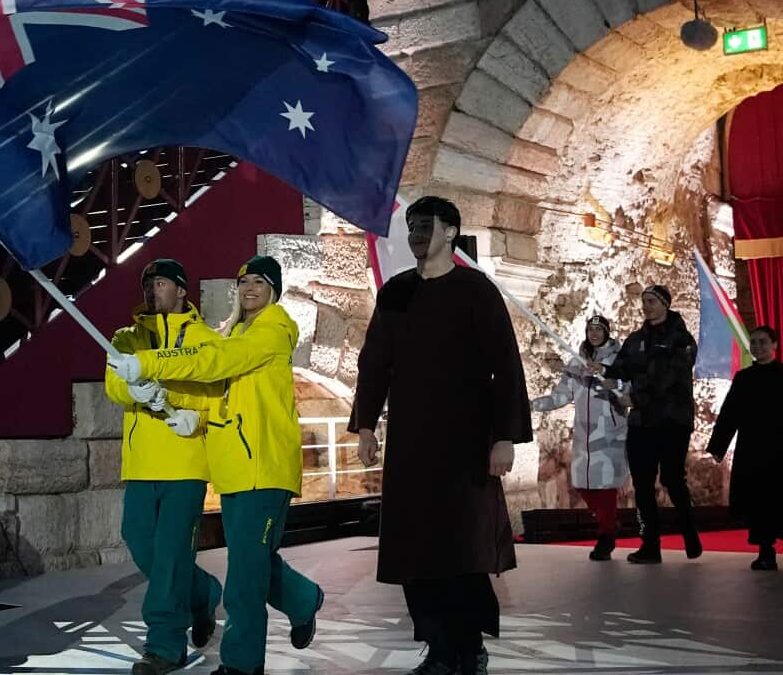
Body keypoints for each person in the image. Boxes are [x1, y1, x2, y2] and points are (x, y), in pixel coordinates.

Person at [109, 255, 324, 675]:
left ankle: (241, 664)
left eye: (260, 282)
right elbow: (218, 393)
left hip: (261, 465)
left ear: (274, 291)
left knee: (245, 574)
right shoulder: (231, 333)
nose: (249, 288)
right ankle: (300, 598)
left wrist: (150, 366)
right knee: (249, 561)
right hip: (232, 468)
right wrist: (193, 413)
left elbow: (215, 364)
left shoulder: (271, 331)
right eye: (244, 280)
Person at [350, 196, 531, 675]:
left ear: (450, 231)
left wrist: (504, 437)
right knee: (415, 549)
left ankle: (466, 646)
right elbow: (375, 363)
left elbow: (505, 368)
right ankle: (436, 643)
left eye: (424, 225)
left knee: (462, 550)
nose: (414, 234)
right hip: (411, 444)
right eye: (411, 226)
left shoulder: (477, 291)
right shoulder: (396, 294)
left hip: (468, 444)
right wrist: (366, 424)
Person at [103, 259, 223, 675]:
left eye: (160, 283)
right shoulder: (128, 337)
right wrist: (135, 388)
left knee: (171, 555)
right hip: (141, 464)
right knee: (138, 539)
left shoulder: (204, 339)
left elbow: (212, 392)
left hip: (185, 462)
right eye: (147, 283)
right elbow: (114, 384)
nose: (151, 290)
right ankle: (203, 590)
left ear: (182, 290)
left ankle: (164, 645)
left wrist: (194, 414)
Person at [604, 284, 701, 564]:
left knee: (672, 478)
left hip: (672, 420)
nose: (646, 306)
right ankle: (650, 545)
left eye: (651, 301)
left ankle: (689, 530)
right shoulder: (635, 340)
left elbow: (667, 381)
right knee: (643, 483)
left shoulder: (682, 341)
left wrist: (633, 397)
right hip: (642, 423)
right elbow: (622, 367)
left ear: (665, 304)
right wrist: (605, 371)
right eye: (643, 301)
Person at [531, 315, 629, 560]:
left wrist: (611, 381)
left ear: (606, 331)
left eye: (598, 329)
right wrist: (532, 405)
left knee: (605, 484)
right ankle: (609, 522)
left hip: (608, 433)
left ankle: (606, 536)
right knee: (582, 482)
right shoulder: (577, 362)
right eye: (590, 329)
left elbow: (628, 388)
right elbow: (562, 395)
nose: (594, 333)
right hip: (584, 434)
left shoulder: (619, 358)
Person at [707, 325, 783, 571]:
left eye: (763, 342)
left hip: (780, 450)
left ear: (775, 346)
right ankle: (765, 551)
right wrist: (718, 446)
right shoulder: (744, 378)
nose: (758, 347)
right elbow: (730, 414)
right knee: (759, 501)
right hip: (753, 448)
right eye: (754, 342)